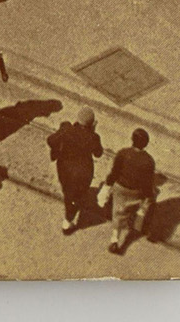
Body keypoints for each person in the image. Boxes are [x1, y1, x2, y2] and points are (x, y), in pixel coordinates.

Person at [48, 106, 104, 234]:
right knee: (76, 197)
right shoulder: (93, 137)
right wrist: (93, 132)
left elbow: (50, 140)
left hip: (64, 169)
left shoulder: (67, 130)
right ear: (92, 123)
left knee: (67, 190)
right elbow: (98, 154)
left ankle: (70, 209)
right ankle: (67, 222)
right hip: (83, 173)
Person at [102, 128, 157, 254]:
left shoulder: (123, 153)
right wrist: (149, 196)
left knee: (118, 212)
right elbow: (147, 183)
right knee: (146, 204)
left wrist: (108, 184)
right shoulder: (149, 161)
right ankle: (139, 222)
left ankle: (115, 239)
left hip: (121, 188)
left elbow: (114, 173)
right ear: (146, 143)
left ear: (132, 140)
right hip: (136, 192)